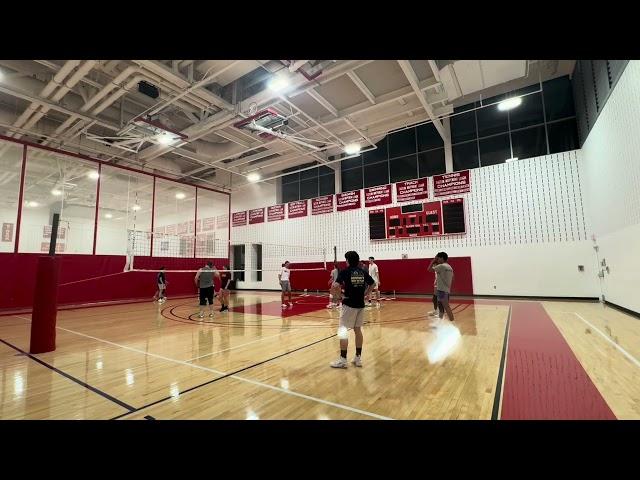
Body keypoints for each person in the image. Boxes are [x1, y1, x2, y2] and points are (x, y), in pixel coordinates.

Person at [330, 251, 374, 369]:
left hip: (349, 305)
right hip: (360, 304)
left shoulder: (345, 272)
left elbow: (335, 286)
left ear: (348, 260)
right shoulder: (362, 272)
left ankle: (343, 359)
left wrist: (339, 297)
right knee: (357, 330)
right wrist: (365, 294)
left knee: (343, 330)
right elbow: (372, 284)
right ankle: (357, 358)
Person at [428, 252, 454, 322]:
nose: (437, 260)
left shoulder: (441, 266)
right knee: (441, 306)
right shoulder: (449, 267)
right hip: (446, 289)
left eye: (438, 258)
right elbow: (452, 277)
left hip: (442, 290)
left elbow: (429, 269)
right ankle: (440, 322)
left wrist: (433, 261)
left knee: (446, 307)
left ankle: (453, 323)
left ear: (442, 258)